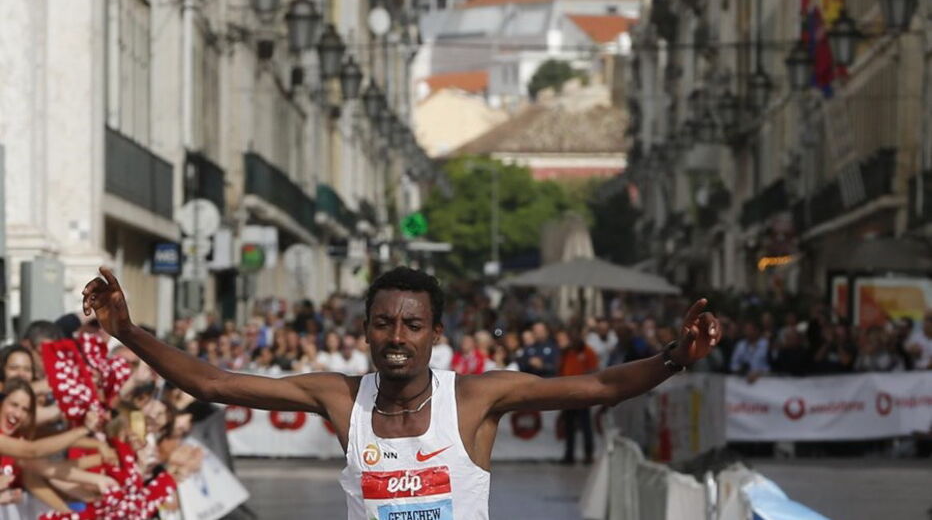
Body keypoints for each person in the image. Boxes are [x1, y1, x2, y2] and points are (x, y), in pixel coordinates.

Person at [83, 266, 719, 520]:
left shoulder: (474, 399)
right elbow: (215, 382)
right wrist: (127, 331)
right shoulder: (340, 399)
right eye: (383, 322)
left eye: (412, 324)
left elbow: (601, 385)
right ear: (365, 330)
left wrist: (673, 358)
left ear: (435, 333)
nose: (397, 336)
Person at [558, 330, 599, 465]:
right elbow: (560, 369)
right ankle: (569, 455)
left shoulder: (588, 352)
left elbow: (594, 370)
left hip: (583, 394)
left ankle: (588, 454)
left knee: (585, 425)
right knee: (569, 426)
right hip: (568, 394)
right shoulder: (567, 352)